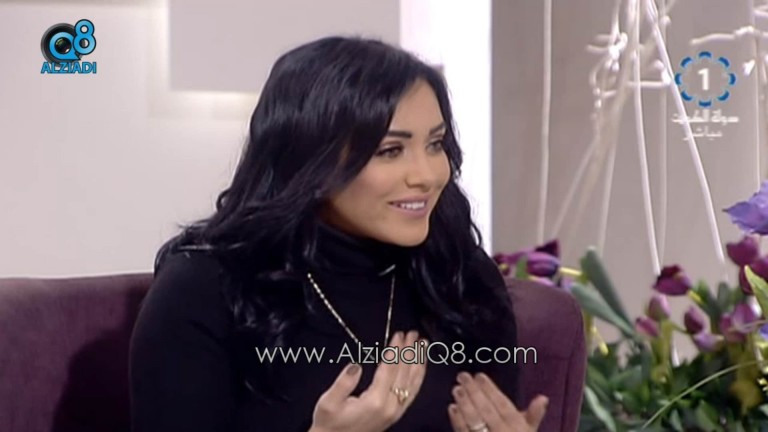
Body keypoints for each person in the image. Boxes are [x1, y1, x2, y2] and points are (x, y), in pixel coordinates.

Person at [129, 36, 549, 432]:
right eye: (390, 151)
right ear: (312, 160)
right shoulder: (203, 290)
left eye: (436, 144)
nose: (427, 175)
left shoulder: (459, 278)